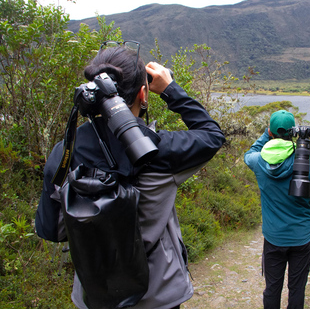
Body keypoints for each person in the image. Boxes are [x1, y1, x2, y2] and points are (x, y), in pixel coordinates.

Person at [35, 41, 226, 309]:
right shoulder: (159, 149)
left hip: (95, 295)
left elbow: (51, 229)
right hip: (158, 294)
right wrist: (170, 89)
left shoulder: (66, 151)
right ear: (143, 95)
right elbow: (212, 135)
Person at [244, 110, 310, 309]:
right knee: (297, 289)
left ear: (270, 132)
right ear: (293, 133)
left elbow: (248, 154)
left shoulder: (258, 161)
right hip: (301, 237)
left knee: (272, 288)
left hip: (274, 237)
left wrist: (266, 133)